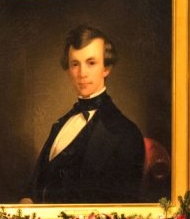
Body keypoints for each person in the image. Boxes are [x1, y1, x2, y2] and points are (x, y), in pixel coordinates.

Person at [32, 25, 146, 204]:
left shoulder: (126, 133)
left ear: (106, 68)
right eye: (75, 64)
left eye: (91, 63)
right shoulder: (61, 124)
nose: (82, 73)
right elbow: (35, 184)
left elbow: (122, 209)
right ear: (68, 69)